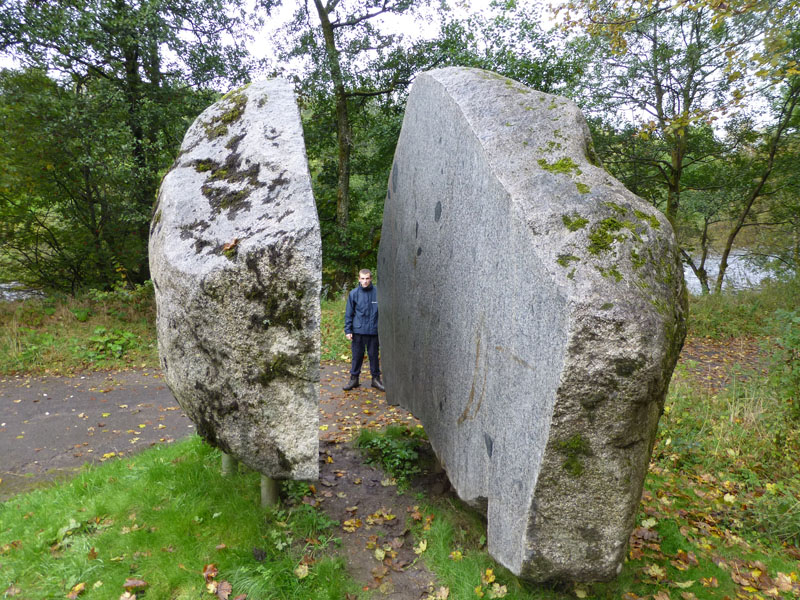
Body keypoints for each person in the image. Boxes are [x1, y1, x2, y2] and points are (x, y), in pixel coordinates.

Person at [343, 269, 385, 392]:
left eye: (367, 278)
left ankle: (376, 380)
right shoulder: (354, 294)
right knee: (357, 356)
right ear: (359, 279)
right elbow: (349, 314)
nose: (365, 281)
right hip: (358, 331)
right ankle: (354, 379)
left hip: (373, 331)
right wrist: (348, 330)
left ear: (371, 278)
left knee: (373, 356)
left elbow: (385, 312)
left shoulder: (378, 293)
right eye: (362, 278)